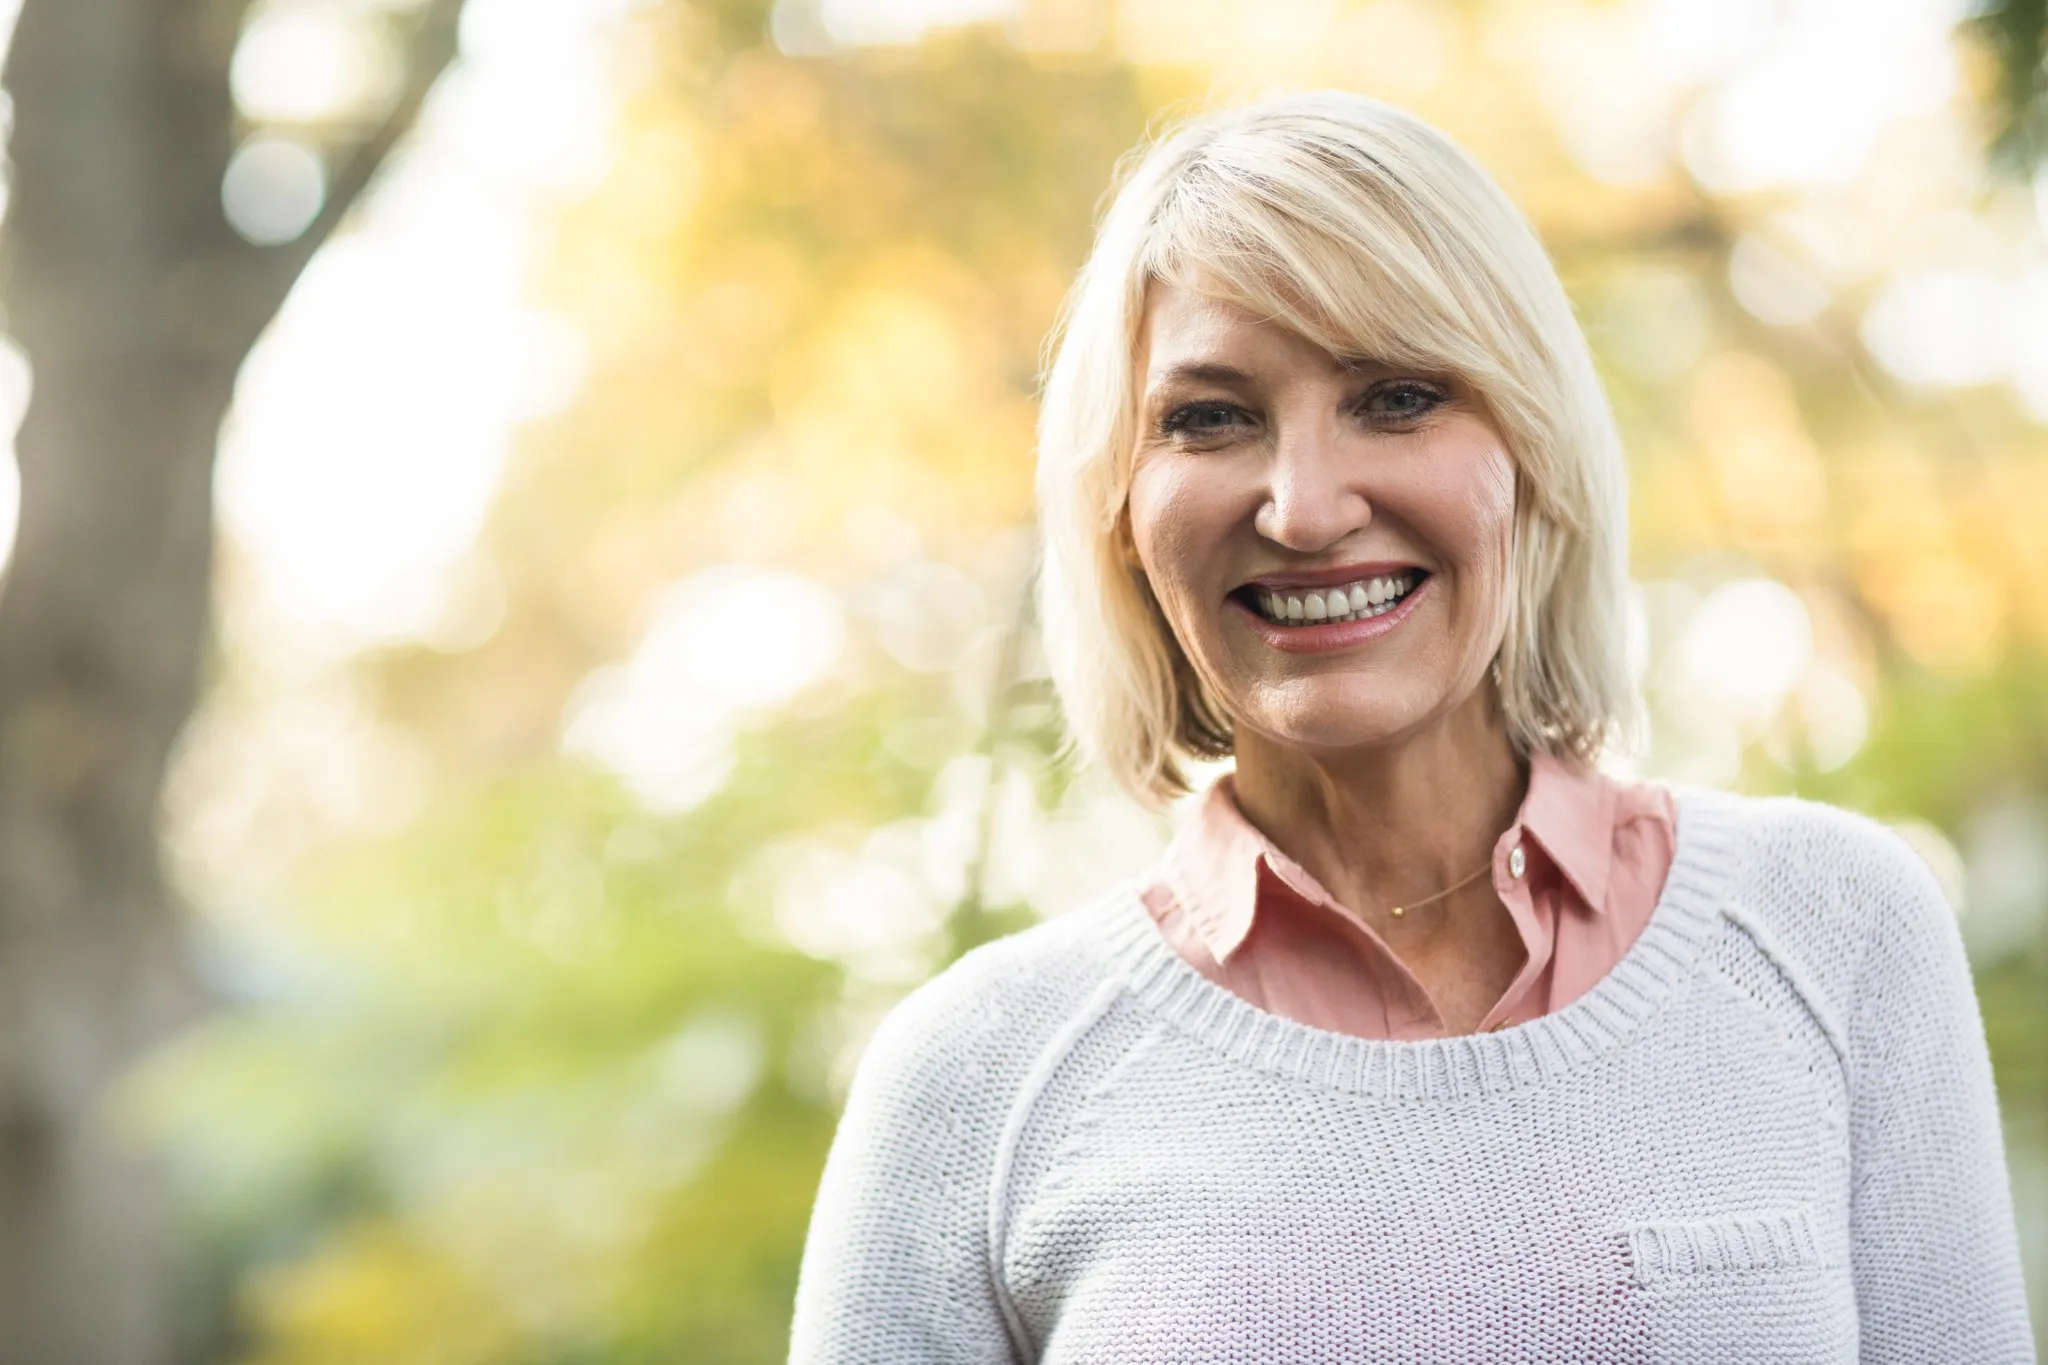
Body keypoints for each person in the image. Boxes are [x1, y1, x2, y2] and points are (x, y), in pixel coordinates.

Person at [785, 90, 2036, 1363]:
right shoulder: (978, 1075)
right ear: (1119, 511)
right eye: (1210, 417)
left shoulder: (1831, 933)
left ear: (1528, 450)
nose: (1307, 507)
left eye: (1394, 396)